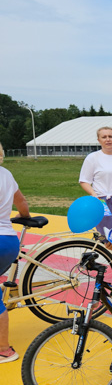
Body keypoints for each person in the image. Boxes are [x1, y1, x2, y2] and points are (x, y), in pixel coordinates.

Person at [0, 145, 30, 363]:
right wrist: (24, 216)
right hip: (8, 240)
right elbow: (22, 204)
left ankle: (4, 349)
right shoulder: (6, 174)